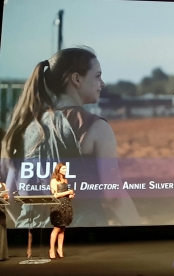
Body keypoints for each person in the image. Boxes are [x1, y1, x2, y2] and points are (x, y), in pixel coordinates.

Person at [1, 47, 140, 229]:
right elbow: (114, 197)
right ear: (76, 79)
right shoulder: (96, 127)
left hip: (36, 245)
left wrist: (33, 233)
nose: (103, 83)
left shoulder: (25, 127)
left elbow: (9, 195)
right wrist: (142, 231)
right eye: (97, 75)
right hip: (84, 244)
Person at [48, 163, 74, 259]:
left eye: (66, 169)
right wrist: (68, 192)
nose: (65, 170)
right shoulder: (54, 180)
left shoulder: (65, 180)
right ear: (58, 169)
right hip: (57, 206)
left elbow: (64, 195)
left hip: (66, 205)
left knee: (62, 229)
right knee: (57, 228)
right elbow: (55, 195)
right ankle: (51, 249)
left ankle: (60, 249)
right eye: (63, 168)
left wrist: (70, 196)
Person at [0, 181, 9, 261]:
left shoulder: (3, 185)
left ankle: (2, 255)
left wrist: (6, 198)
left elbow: (7, 197)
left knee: (2, 231)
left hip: (1, 210)